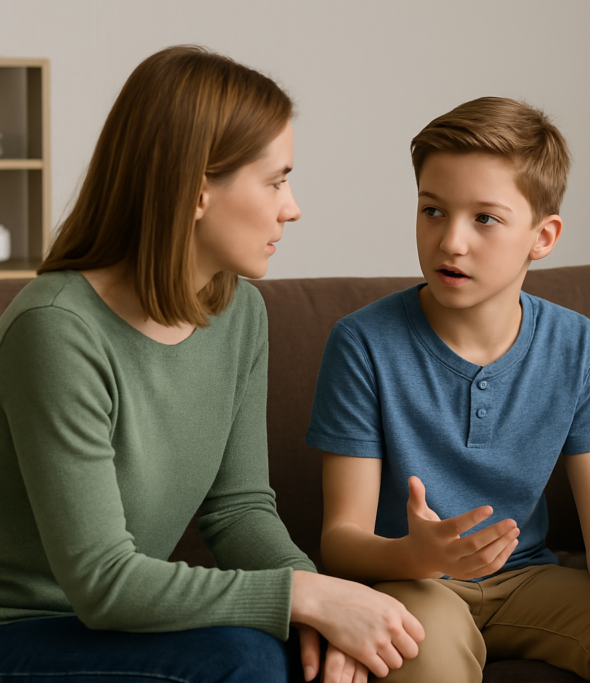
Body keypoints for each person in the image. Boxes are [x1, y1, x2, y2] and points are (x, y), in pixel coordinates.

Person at [0, 46, 424, 683]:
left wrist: (322, 608)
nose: (293, 207)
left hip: (118, 625)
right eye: (276, 180)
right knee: (247, 659)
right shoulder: (56, 330)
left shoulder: (239, 312)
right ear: (197, 190)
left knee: (296, 651)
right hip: (26, 629)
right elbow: (101, 581)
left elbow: (239, 511)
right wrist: (303, 598)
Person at [306, 96, 590, 683]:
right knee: (424, 647)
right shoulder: (363, 343)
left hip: (529, 578)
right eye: (433, 211)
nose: (451, 242)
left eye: (484, 218)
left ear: (543, 236)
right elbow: (341, 540)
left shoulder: (579, 345)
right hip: (411, 580)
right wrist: (415, 555)